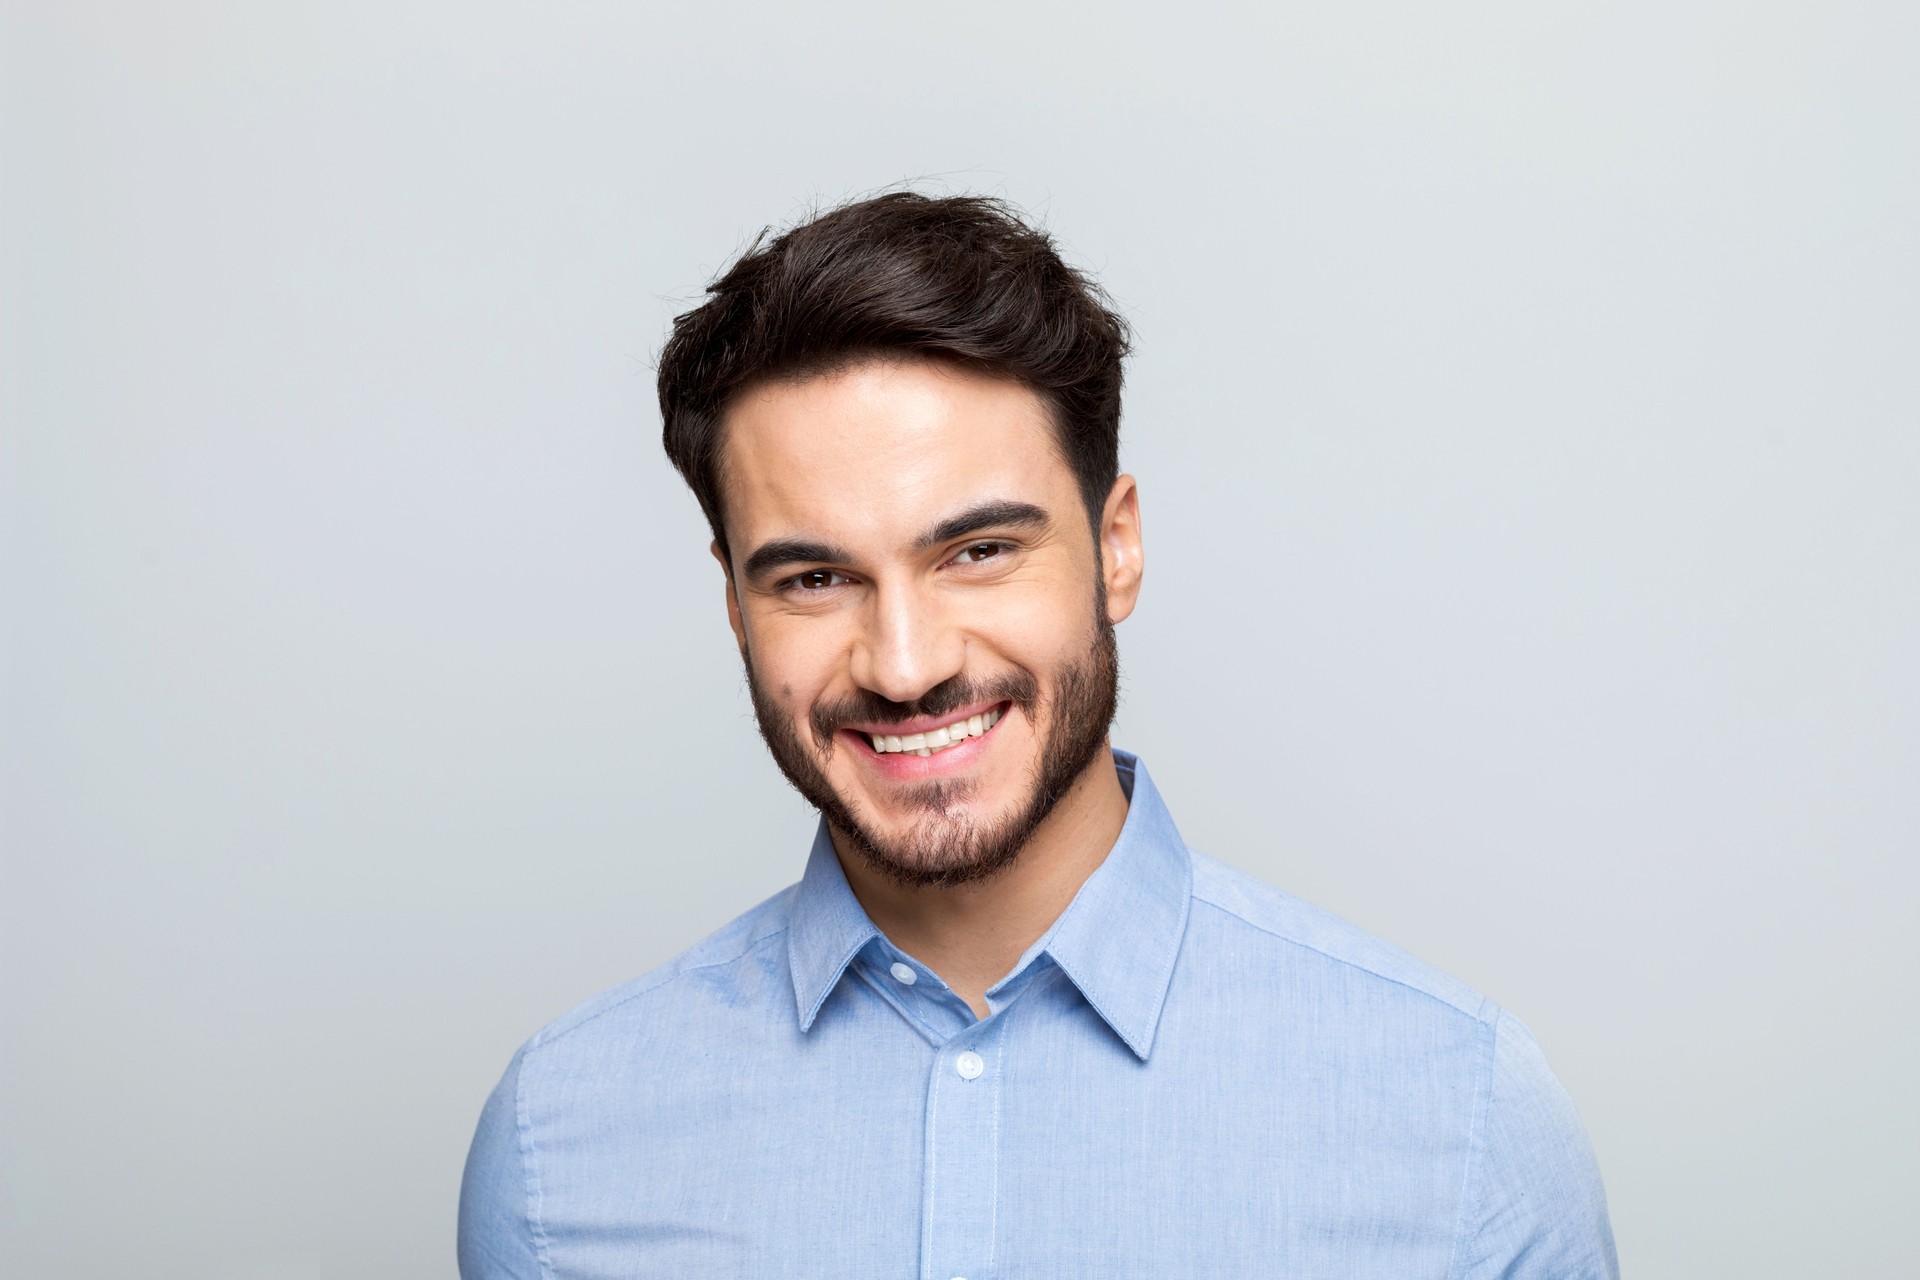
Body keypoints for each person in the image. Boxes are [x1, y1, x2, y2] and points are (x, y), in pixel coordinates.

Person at [457, 192, 1617, 1278]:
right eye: (815, 577)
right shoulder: (560, 1149)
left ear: (1117, 547)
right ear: (733, 600)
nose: (905, 665)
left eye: (978, 551)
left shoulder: (1460, 1123)